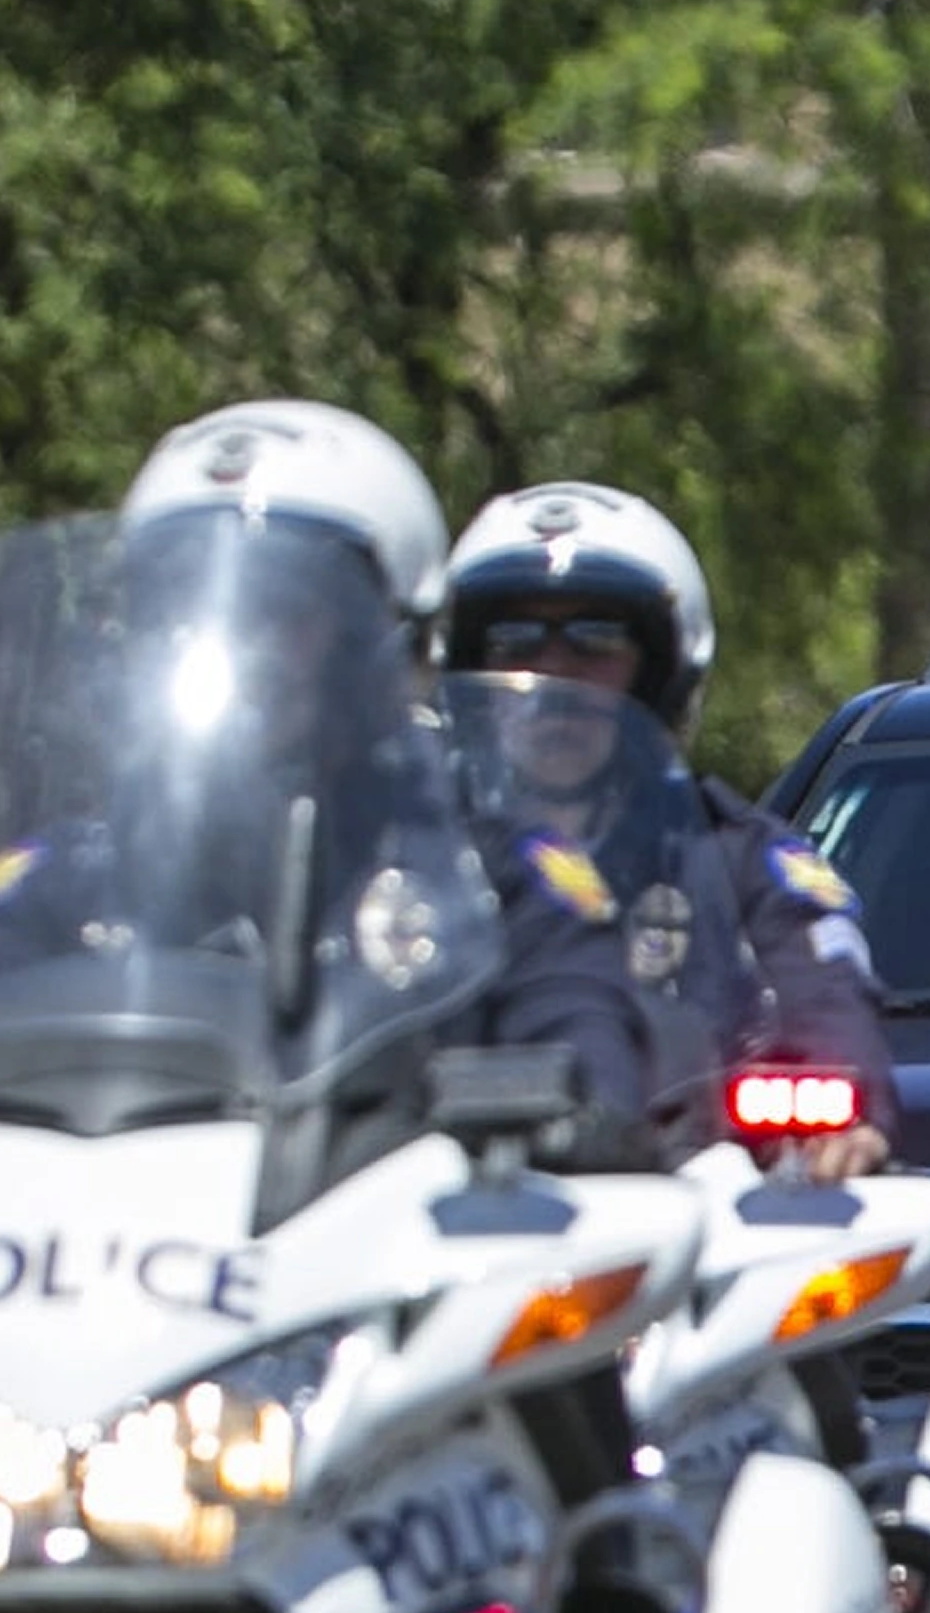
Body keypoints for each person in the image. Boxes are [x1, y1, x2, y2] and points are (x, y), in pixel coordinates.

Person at [108, 402, 656, 1135]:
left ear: (384, 643)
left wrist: (568, 1110)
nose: (239, 640)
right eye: (186, 608)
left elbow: (586, 1047)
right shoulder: (76, 875)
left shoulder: (498, 883)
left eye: (284, 610)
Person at [435, 483, 901, 1183]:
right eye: (515, 642)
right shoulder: (410, 855)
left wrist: (849, 1109)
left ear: (661, 676)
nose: (554, 673)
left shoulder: (742, 860)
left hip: (685, 1202)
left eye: (596, 640)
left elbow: (828, 994)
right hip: (435, 1204)